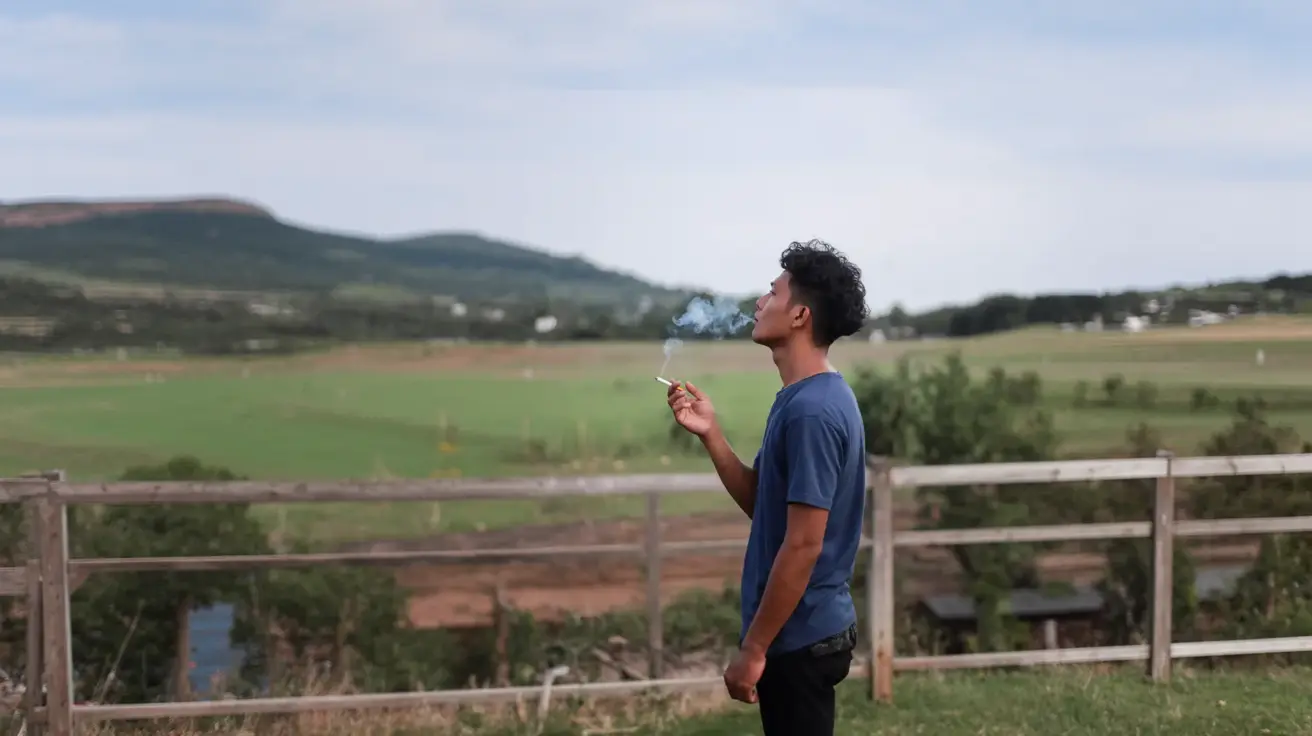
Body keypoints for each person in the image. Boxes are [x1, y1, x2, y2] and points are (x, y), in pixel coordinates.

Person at [667, 239, 870, 735]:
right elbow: (767, 507)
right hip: (800, 630)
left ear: (799, 315)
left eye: (772, 292)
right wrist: (712, 434)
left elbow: (802, 544)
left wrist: (753, 649)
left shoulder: (813, 411)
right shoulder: (799, 399)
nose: (760, 303)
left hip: (800, 635)